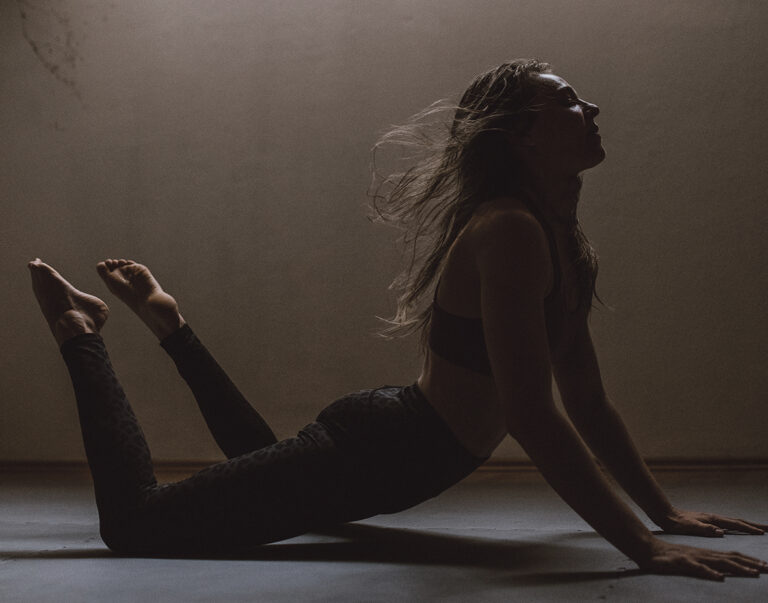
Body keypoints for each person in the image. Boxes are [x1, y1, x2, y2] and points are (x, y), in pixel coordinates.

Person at [29, 59, 767, 579]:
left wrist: (663, 512)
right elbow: (530, 411)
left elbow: (586, 399)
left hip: (399, 446)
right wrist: (641, 546)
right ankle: (81, 332)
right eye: (570, 100)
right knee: (135, 524)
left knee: (266, 469)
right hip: (385, 448)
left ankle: (170, 324)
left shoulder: (561, 239)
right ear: (522, 134)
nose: (593, 109)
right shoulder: (508, 228)